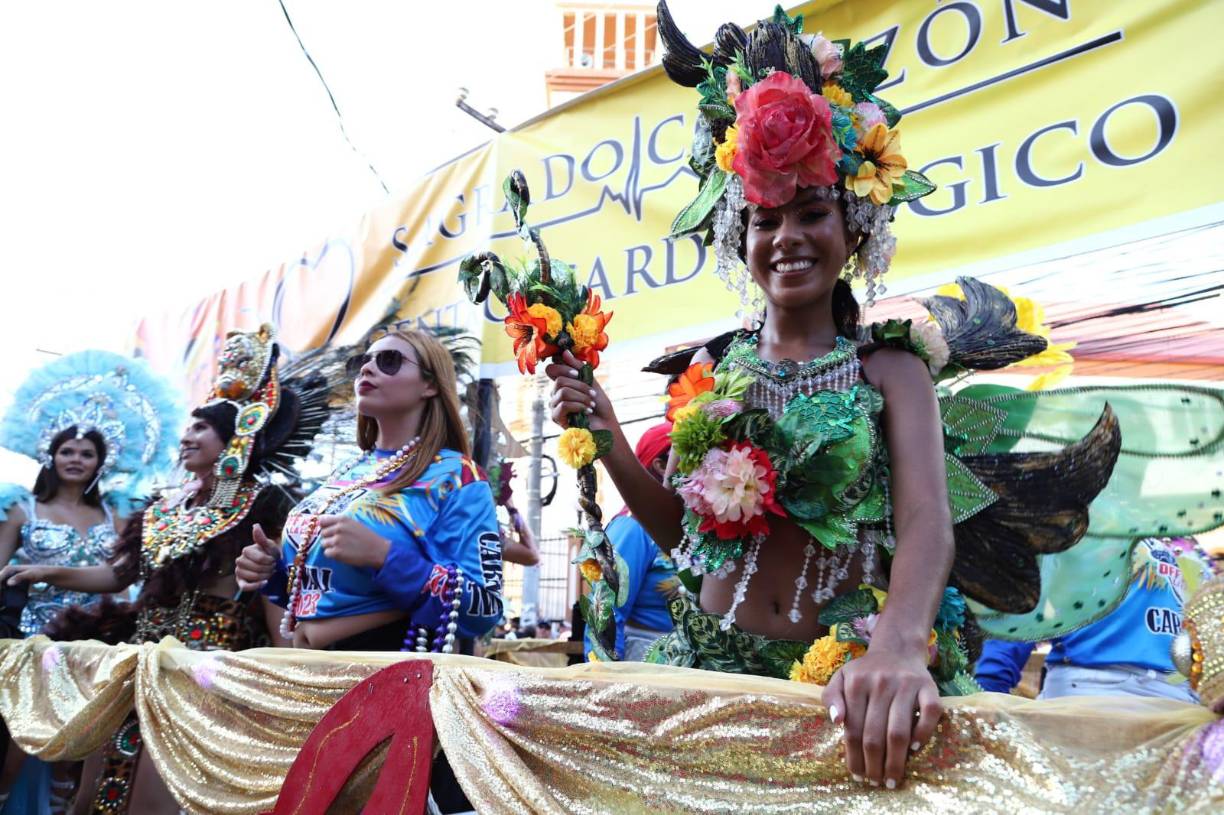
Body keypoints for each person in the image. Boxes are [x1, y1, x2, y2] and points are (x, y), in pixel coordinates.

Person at [547, 3, 1128, 789]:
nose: (785, 236)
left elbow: (927, 518)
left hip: (851, 690)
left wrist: (896, 643)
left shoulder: (890, 369)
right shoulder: (710, 374)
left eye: (811, 213)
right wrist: (610, 435)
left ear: (855, 226)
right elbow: (689, 542)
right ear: (739, 240)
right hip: (713, 676)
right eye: (763, 219)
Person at [1, 325, 325, 814]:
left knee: (161, 792)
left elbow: (272, 589)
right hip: (139, 656)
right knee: (96, 789)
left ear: (235, 439)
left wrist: (292, 670)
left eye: (200, 428)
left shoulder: (264, 505)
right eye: (189, 426)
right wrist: (44, 572)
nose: (187, 437)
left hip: (207, 668)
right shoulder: (162, 505)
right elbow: (119, 577)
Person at [237, 327, 503, 654]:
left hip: (385, 674)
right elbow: (328, 587)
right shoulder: (347, 471)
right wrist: (273, 572)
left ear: (430, 385)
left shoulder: (458, 476)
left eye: (389, 360)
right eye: (363, 361)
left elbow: (485, 607)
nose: (367, 368)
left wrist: (383, 557)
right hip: (309, 672)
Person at [0, 350, 178, 815]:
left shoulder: (117, 513)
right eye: (67, 451)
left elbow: (122, 578)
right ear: (50, 455)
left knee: (81, 740)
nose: (76, 459)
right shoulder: (21, 509)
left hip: (96, 639)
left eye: (86, 453)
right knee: (25, 733)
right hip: (31, 639)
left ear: (101, 461)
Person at [976, 537, 1217, 703]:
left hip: (1179, 709)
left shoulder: (1192, 552)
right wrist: (985, 694)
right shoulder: (1083, 529)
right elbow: (1022, 617)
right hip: (1089, 699)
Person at [584, 422, 679, 661]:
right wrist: (606, 685)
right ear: (661, 466)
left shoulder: (691, 525)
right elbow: (605, 611)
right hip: (644, 661)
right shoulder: (634, 527)